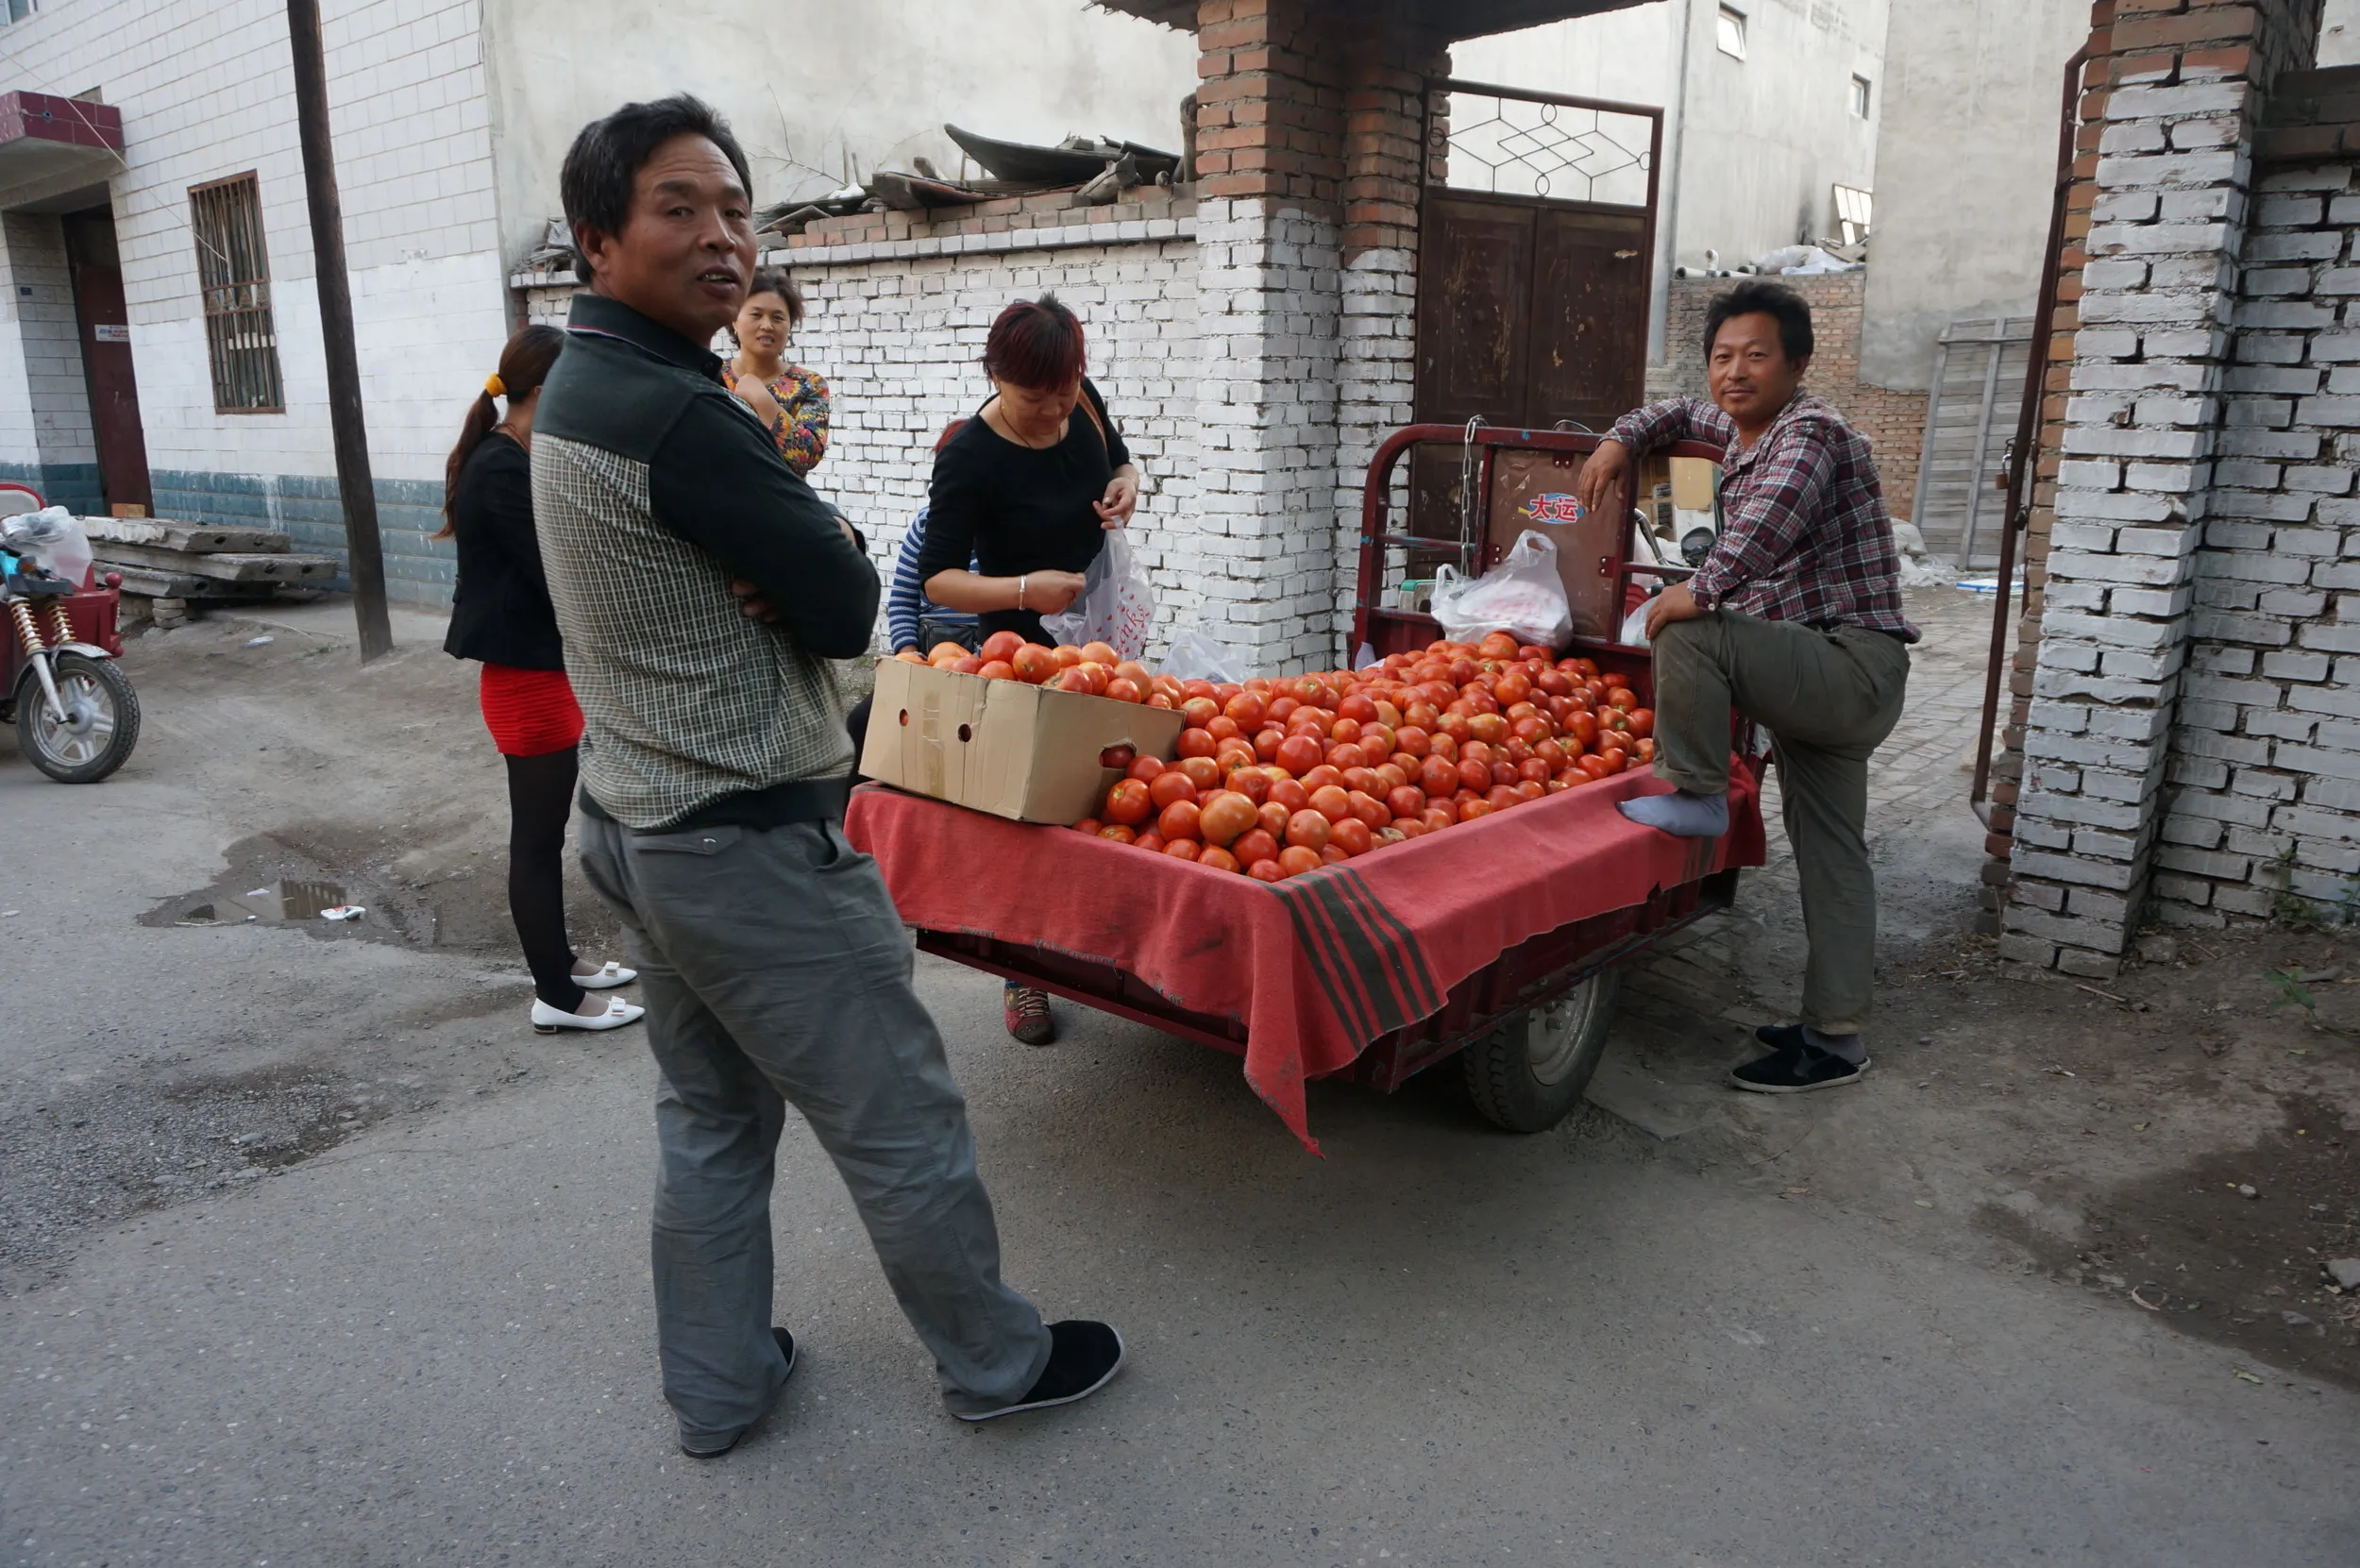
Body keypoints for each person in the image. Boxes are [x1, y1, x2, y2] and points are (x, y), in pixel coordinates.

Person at [534, 93, 1123, 1458]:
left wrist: (805, 548)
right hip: (746, 842)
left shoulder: (589, 384)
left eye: (737, 208)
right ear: (597, 236)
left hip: (637, 817)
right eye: (680, 207)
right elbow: (852, 597)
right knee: (897, 1114)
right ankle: (996, 1360)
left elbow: (816, 566)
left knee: (710, 1120)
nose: (724, 237)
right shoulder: (682, 418)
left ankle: (721, 1383)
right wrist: (816, 548)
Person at [1576, 278, 1914, 1096]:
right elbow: (1673, 414)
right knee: (1835, 857)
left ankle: (1695, 790)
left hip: (1847, 663)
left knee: (1685, 625)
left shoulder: (1811, 433)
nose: (1736, 372)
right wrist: (1620, 439)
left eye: (1757, 355)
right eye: (1723, 356)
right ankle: (1836, 1038)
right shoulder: (1736, 426)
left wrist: (1697, 588)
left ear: (1797, 362)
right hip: (1823, 674)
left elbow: (1766, 528)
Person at [916, 295, 1140, 1045]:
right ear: (996, 377)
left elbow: (1119, 458)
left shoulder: (1082, 397)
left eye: (1066, 392)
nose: (1054, 411)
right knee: (1025, 815)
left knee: (1106, 790)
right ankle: (1024, 975)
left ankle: (1105, 942)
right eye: (1034, 397)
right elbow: (938, 578)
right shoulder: (969, 456)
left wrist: (1128, 483)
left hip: (1096, 634)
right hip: (1016, 650)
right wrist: (1022, 591)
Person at [437, 324, 645, 1037]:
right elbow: (560, 569)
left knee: (548, 833)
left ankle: (564, 964)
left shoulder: (519, 454)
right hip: (525, 682)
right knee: (535, 840)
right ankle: (556, 993)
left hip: (545, 673)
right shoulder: (501, 466)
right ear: (546, 388)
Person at [843, 420, 981, 765]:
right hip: (927, 662)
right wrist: (908, 653)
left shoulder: (1010, 533)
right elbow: (903, 599)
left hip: (987, 671)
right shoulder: (925, 525)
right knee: (862, 723)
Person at [720, 265, 830, 477]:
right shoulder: (711, 375)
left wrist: (763, 401)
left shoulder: (809, 385)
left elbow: (808, 457)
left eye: (778, 318)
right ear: (734, 319)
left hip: (784, 506)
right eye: (756, 315)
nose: (767, 325)